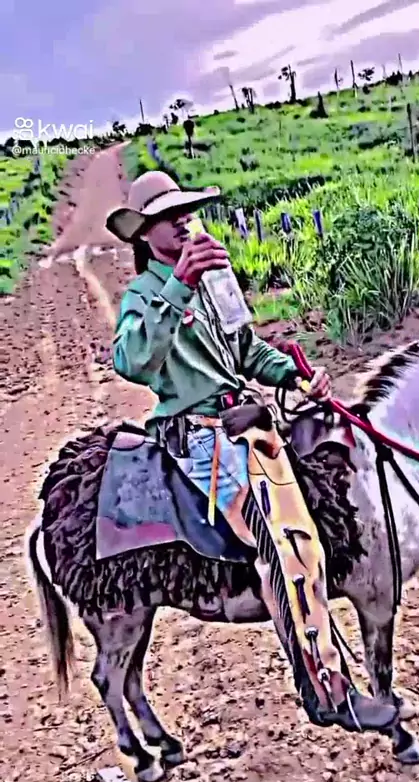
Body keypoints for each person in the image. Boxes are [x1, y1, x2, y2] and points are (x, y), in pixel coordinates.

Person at [106, 171, 397, 735]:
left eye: (185, 211)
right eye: (167, 217)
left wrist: (295, 375)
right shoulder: (143, 295)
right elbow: (133, 362)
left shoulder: (215, 280)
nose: (182, 221)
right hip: (196, 434)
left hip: (247, 421)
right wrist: (179, 286)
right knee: (290, 542)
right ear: (143, 233)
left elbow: (246, 350)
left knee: (322, 506)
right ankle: (326, 690)